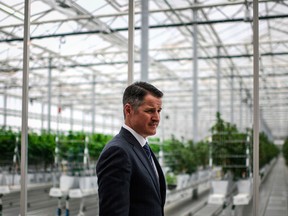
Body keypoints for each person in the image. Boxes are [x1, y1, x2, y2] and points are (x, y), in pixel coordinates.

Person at [96, 81, 166, 216]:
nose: (157, 118)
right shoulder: (118, 152)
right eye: (149, 111)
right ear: (128, 110)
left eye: (158, 111)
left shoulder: (142, 147)